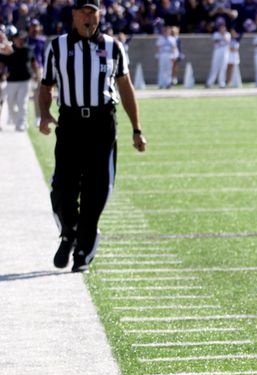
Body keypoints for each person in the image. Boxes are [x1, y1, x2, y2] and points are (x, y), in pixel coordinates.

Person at [38, 0, 147, 272]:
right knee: (62, 189)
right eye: (83, 12)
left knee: (95, 191)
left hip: (101, 124)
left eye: (93, 12)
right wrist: (43, 113)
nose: (88, 18)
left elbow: (125, 87)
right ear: (74, 15)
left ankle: (83, 251)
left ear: (100, 14)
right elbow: (46, 85)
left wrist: (137, 129)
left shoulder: (113, 47)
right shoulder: (58, 46)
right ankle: (69, 232)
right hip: (71, 123)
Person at [0, 30, 36, 131]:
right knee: (10, 103)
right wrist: (2, 73)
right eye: (18, 39)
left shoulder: (28, 50)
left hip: (25, 81)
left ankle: (21, 125)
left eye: (22, 39)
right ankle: (17, 120)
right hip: (11, 80)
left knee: (22, 103)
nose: (20, 41)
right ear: (14, 39)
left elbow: (33, 63)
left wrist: (36, 75)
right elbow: (2, 64)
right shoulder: (9, 50)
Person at [205, 22, 230, 88]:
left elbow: (227, 41)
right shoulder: (216, 34)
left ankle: (222, 83)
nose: (222, 29)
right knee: (214, 67)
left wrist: (223, 36)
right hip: (217, 51)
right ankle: (209, 83)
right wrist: (221, 37)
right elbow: (215, 41)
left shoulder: (227, 34)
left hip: (225, 52)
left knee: (223, 68)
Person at [154, 24, 177, 89]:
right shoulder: (161, 38)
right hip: (163, 54)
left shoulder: (172, 39)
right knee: (162, 69)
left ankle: (168, 83)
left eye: (168, 31)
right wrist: (158, 56)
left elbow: (174, 48)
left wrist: (174, 56)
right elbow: (158, 47)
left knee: (169, 70)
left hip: (169, 55)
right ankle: (161, 84)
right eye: (166, 31)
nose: (167, 32)